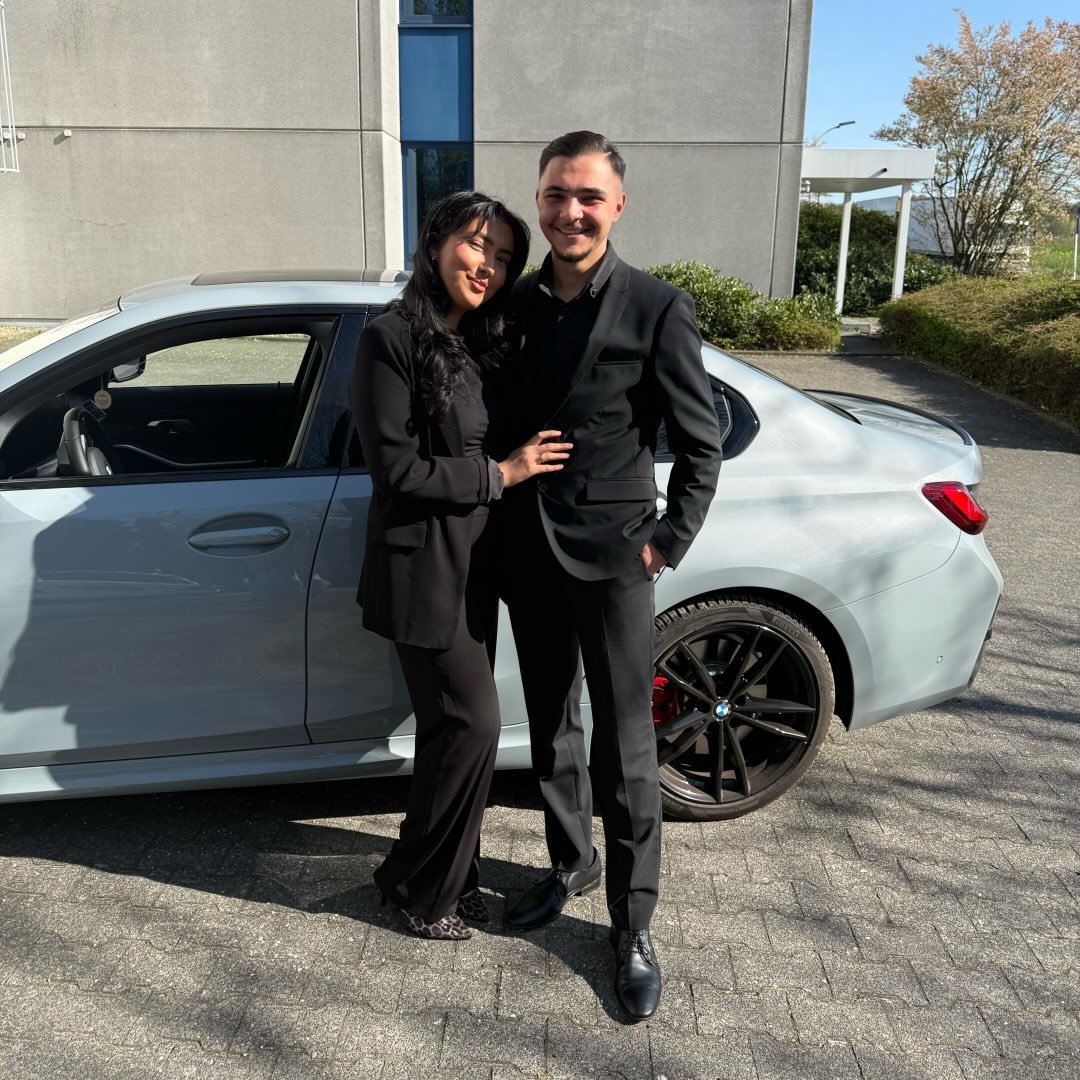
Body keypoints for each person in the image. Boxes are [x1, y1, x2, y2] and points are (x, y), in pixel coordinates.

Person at [498, 132, 724, 1018]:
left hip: (617, 556)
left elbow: (701, 443)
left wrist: (668, 541)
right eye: (557, 195)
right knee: (551, 727)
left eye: (588, 196)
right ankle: (570, 864)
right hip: (529, 550)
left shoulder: (658, 307)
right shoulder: (514, 304)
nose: (571, 212)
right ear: (540, 200)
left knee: (627, 746)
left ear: (617, 206)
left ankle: (631, 924)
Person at [349, 190, 572, 940]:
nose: (488, 266)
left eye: (504, 257)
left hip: (475, 566)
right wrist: (501, 474)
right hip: (422, 569)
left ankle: (441, 878)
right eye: (478, 245)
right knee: (473, 727)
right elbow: (396, 471)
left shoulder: (474, 340)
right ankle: (420, 891)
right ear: (437, 241)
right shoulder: (390, 338)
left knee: (453, 733)